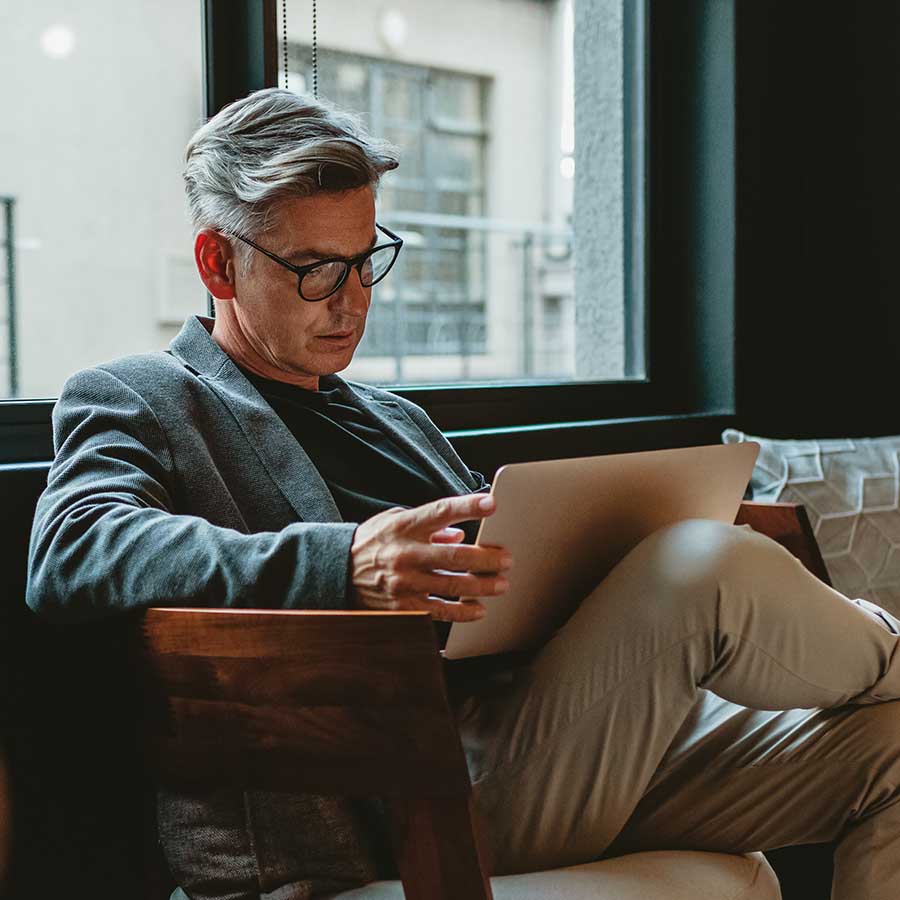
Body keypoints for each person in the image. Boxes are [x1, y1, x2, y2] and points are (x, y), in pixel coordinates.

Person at [26, 88, 900, 900]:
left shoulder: (393, 418)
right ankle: (884, 649)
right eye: (316, 270)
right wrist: (347, 562)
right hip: (416, 793)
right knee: (700, 564)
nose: (354, 300)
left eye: (367, 260)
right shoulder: (143, 393)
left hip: (561, 738)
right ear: (218, 263)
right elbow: (75, 551)